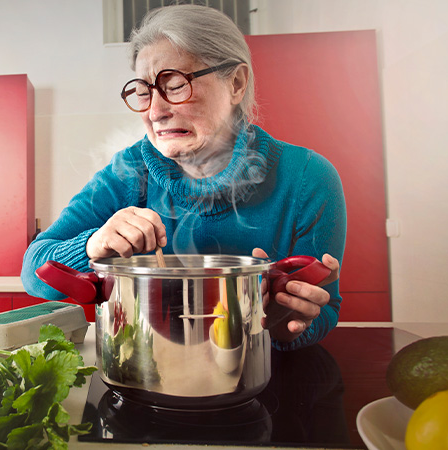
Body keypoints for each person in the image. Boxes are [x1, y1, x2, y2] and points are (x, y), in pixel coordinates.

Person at [21, 4, 346, 351]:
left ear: (235, 83)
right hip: (145, 367)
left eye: (175, 85)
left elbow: (324, 308)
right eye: (144, 92)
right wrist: (92, 246)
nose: (155, 112)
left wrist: (285, 322)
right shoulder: (128, 172)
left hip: (259, 377)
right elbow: (34, 268)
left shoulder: (308, 177)